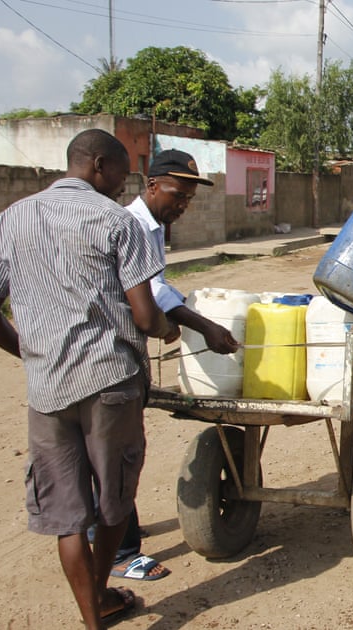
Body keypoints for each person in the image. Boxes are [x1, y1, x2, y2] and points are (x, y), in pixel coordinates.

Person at [0, 129, 178, 628]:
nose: (123, 181)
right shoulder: (115, 221)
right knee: (113, 503)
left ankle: (94, 618)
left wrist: (30, 354)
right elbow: (146, 316)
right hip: (110, 382)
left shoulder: (11, 218)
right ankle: (104, 591)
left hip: (47, 389)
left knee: (68, 517)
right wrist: (170, 330)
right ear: (99, 165)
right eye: (122, 171)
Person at [115, 149, 239, 581]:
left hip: (125, 347)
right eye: (177, 194)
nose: (182, 206)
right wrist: (199, 324)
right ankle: (121, 553)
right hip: (110, 355)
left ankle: (118, 528)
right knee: (118, 451)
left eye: (188, 198)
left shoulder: (150, 227)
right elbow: (151, 289)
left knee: (121, 449)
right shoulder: (132, 225)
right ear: (151, 186)